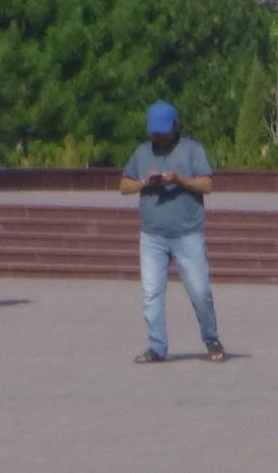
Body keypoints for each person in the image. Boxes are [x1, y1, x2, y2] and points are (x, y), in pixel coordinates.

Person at [120, 100, 224, 364]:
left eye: (163, 130)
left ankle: (211, 339)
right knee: (151, 292)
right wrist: (145, 182)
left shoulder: (192, 149)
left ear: (175, 125)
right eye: (154, 130)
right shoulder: (142, 153)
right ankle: (157, 346)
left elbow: (207, 185)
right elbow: (123, 185)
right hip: (152, 236)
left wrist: (180, 180)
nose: (158, 136)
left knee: (200, 291)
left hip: (187, 234)